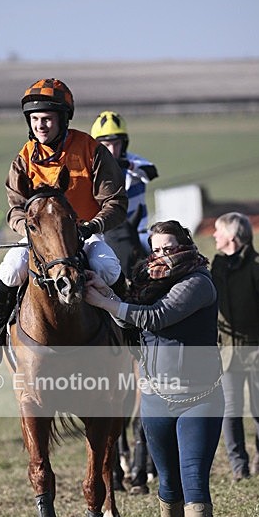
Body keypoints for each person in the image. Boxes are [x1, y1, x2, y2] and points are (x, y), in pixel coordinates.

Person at [84, 220, 224, 517]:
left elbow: (156, 318)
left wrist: (104, 301)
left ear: (185, 247)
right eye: (155, 249)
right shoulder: (148, 287)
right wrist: (107, 293)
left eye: (168, 248)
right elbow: (133, 320)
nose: (160, 256)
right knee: (167, 483)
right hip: (156, 398)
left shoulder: (198, 284)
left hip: (200, 399)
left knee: (194, 480)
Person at [0, 78, 128, 373]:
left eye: (46, 119)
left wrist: (92, 226)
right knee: (10, 270)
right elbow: (14, 210)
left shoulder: (91, 150)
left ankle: (133, 335)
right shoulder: (23, 159)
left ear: (63, 119)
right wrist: (31, 230)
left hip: (84, 236)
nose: (40, 125)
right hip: (40, 241)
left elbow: (116, 203)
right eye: (34, 119)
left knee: (109, 268)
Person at [91, 109, 160, 494]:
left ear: (124, 143)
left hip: (132, 249)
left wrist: (157, 258)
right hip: (100, 246)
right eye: (103, 143)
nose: (110, 147)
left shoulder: (135, 172)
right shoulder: (90, 170)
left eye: (115, 141)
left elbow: (144, 222)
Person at [211, 212, 259, 480]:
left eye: (218, 231)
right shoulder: (217, 266)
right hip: (228, 354)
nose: (213, 236)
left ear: (231, 237)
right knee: (230, 411)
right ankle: (239, 468)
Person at [90, 109, 158, 251]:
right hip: (104, 233)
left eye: (116, 144)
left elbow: (150, 172)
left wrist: (128, 165)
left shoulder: (133, 160)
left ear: (124, 143)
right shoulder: (91, 167)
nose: (113, 150)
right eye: (107, 145)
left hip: (137, 232)